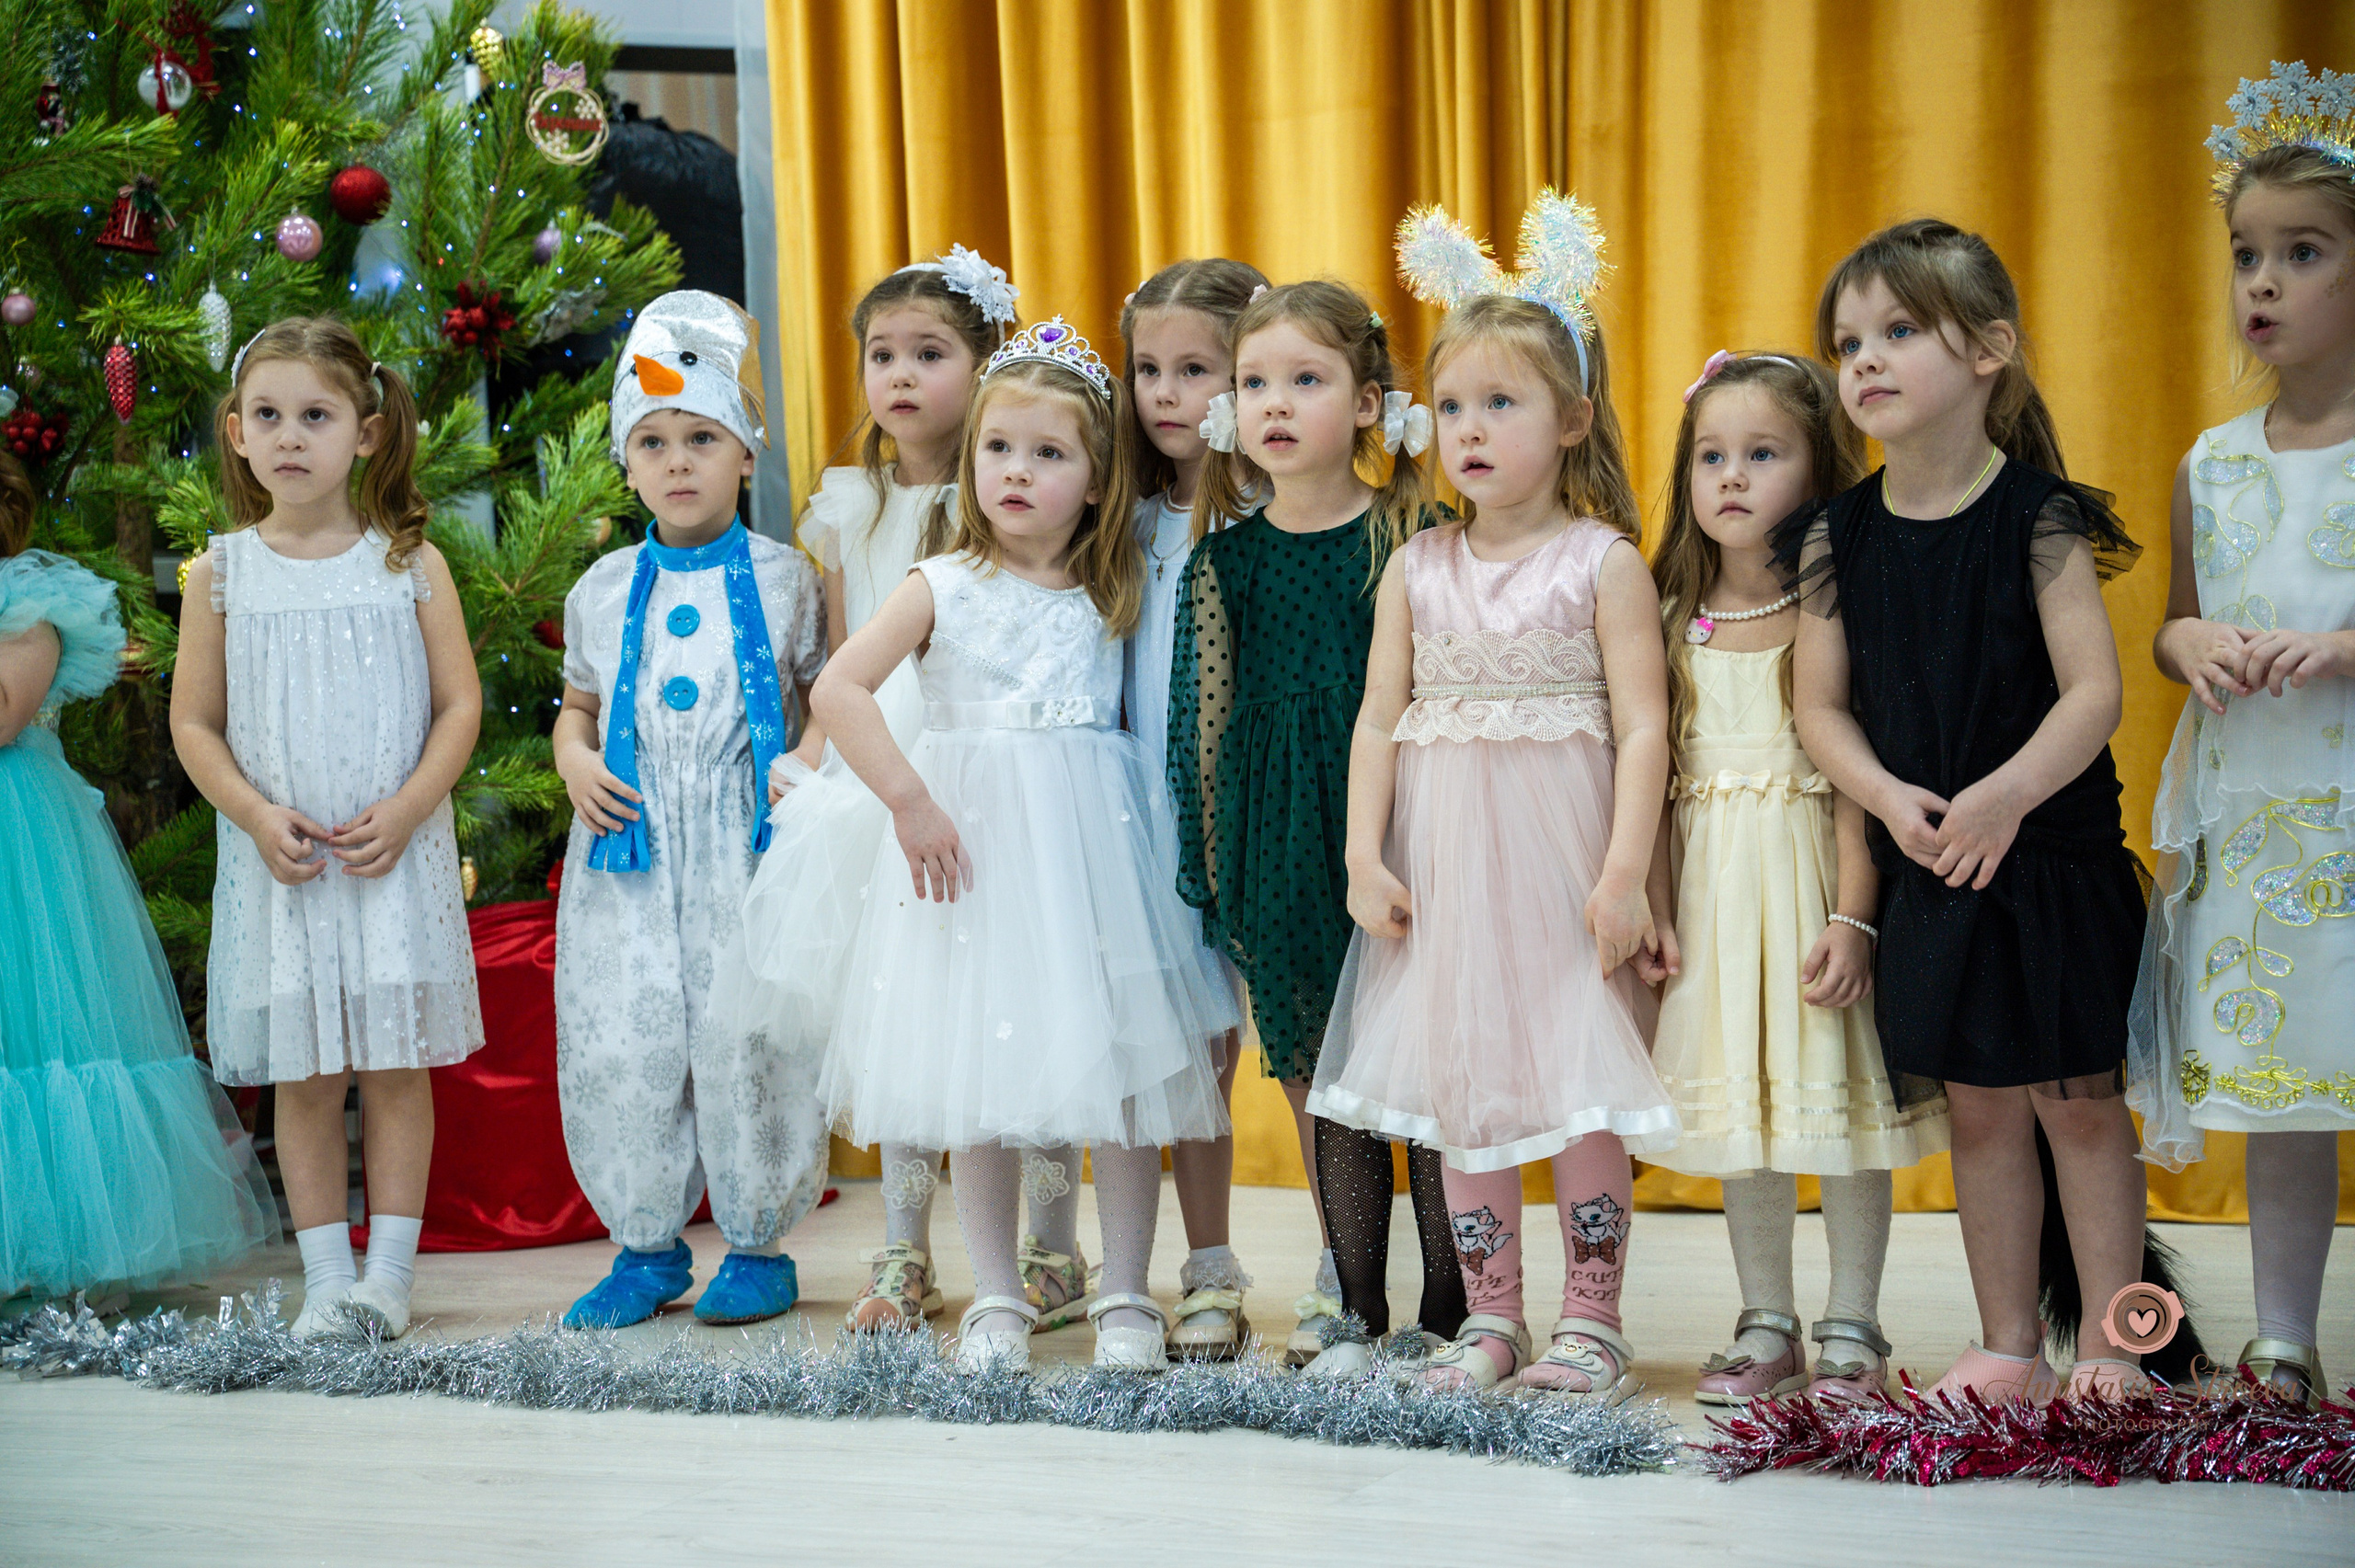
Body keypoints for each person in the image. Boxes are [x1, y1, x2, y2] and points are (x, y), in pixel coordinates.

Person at [1784, 220, 2188, 1402]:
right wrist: (1884, 797)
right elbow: (1821, 709)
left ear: (1988, 351)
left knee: (2078, 1111)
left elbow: (2093, 694)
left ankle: (2120, 1342)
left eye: (1898, 331)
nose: (1863, 360)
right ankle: (2008, 1340)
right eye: (1848, 340)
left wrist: (2005, 797)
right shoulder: (1835, 536)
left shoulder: (2040, 518)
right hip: (1930, 868)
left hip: (2046, 861)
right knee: (1981, 1118)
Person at [797, 317, 1233, 1372]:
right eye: (999, 449)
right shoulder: (941, 584)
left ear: (1095, 479)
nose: (1017, 472)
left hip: (1094, 859)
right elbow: (840, 688)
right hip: (971, 864)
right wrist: (907, 800)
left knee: (1123, 1079)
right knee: (977, 1087)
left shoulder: (1112, 583)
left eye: (1049, 454)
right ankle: (997, 1294)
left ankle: (1123, 1288)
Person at [1311, 197, 1676, 1393]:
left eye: (1502, 403)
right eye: (1455, 404)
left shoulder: (1603, 562)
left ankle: (1593, 1318)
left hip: (1568, 870)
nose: (1469, 429)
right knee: (1463, 1090)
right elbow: (1376, 717)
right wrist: (1366, 857)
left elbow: (1643, 726)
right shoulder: (1417, 566)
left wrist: (1625, 873)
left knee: (1578, 1090)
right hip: (1449, 875)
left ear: (1571, 420)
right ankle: (1493, 1318)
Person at [714, 247, 1090, 1333]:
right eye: (882, 354)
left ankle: (1048, 1252)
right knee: (904, 1031)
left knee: (1029, 1016)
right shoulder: (850, 504)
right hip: (881, 789)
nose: (901, 375)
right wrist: (818, 783)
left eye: (930, 353)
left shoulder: (1015, 496)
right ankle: (902, 1253)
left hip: (992, 778)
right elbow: (841, 657)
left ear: (984, 369)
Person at [1173, 279, 1466, 1370]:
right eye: (1254, 382)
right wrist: (1212, 863)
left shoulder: (1419, 535)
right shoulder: (1224, 562)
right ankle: (1352, 1297)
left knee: (1425, 1064)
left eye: (1307, 378)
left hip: (1407, 828)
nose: (1275, 403)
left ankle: (1452, 1300)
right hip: (1277, 836)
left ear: (1368, 401)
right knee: (1321, 1070)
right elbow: (1200, 725)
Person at [1647, 349, 1948, 1404]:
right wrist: (1652, 910)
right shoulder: (1668, 606)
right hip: (1713, 906)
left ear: (1818, 472)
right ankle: (1765, 1314)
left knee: (1839, 1109)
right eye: (1710, 455)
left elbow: (1853, 784)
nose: (1729, 477)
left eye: (1762, 454)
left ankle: (1853, 1317)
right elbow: (1652, 779)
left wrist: (1854, 916)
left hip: (1817, 897)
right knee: (1747, 1116)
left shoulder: (1836, 607)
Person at [174, 317, 484, 1340]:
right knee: (306, 1074)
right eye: (268, 416)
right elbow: (195, 722)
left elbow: (458, 706)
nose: (290, 436)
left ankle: (388, 1278)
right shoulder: (220, 575)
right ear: (235, 433)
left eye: (315, 415)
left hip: (390, 855)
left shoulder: (409, 562)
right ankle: (323, 1281)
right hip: (285, 866)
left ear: (365, 431)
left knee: (394, 1066)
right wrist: (256, 815)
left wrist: (408, 807)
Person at [2130, 63, 2355, 1409]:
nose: (2262, 283)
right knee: (2284, 1091)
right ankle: (2283, 1340)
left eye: (2303, 254)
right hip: (2257, 821)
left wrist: (2339, 650)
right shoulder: (2214, 459)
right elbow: (2175, 623)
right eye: (2247, 256)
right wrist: (2189, 647)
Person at [550, 292, 828, 1330]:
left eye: (701, 438)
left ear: (745, 455)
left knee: (749, 1035)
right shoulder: (601, 587)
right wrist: (574, 760)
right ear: (628, 464)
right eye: (654, 442)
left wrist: (802, 766)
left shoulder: (788, 579)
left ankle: (757, 1239)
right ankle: (646, 1245)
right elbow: (576, 713)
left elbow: (825, 702)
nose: (677, 462)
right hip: (626, 852)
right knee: (622, 1036)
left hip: (744, 849)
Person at [1, 451, 278, 1308]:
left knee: (39, 1029)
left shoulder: (28, 607)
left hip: (23, 845)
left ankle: (54, 1248)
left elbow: (6, 718)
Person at [1116, 256, 1272, 1360]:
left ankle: (1346, 1267)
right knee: (1188, 1058)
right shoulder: (1121, 519)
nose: (1165, 393)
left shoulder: (1283, 512)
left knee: (1315, 1049)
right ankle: (1206, 1265)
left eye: (1193, 369)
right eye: (1146, 369)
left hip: (1269, 813)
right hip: (1151, 822)